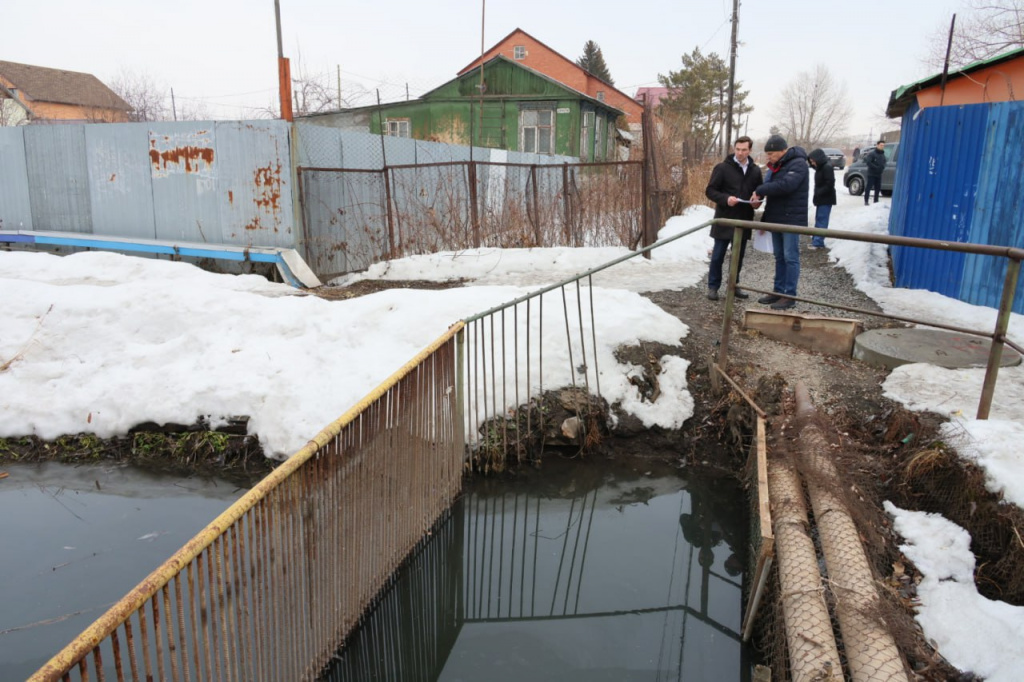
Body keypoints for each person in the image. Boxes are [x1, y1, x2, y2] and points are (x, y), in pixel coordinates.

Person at [751, 134, 809, 310]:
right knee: (779, 257)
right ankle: (778, 291)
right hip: (777, 217)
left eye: (771, 153)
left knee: (791, 257)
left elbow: (786, 186)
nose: (769, 157)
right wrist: (765, 220)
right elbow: (774, 194)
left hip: (791, 218)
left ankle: (789, 295)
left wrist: (760, 189)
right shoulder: (776, 166)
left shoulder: (798, 164)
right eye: (767, 154)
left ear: (782, 150)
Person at [704, 136, 764, 301]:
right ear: (734, 148)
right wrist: (726, 199)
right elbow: (710, 191)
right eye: (737, 149)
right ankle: (713, 287)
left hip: (744, 218)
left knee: (738, 256)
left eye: (744, 150)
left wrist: (756, 202)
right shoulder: (722, 168)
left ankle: (733, 286)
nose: (740, 153)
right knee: (718, 255)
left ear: (750, 150)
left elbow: (759, 192)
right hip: (724, 217)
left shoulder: (755, 170)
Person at [807, 148, 836, 250]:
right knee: (819, 219)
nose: (812, 163)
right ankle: (816, 240)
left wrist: (819, 192)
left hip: (826, 199)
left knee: (822, 220)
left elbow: (830, 184)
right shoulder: (820, 167)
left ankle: (818, 242)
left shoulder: (827, 167)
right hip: (821, 198)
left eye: (813, 161)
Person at [863, 140, 887, 205]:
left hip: (879, 174)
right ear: (877, 145)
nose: (882, 147)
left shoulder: (883, 154)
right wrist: (876, 167)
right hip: (872, 173)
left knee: (877, 188)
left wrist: (882, 167)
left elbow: (884, 162)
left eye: (883, 145)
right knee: (869, 187)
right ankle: (866, 201)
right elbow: (868, 162)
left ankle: (876, 201)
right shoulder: (872, 153)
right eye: (881, 145)